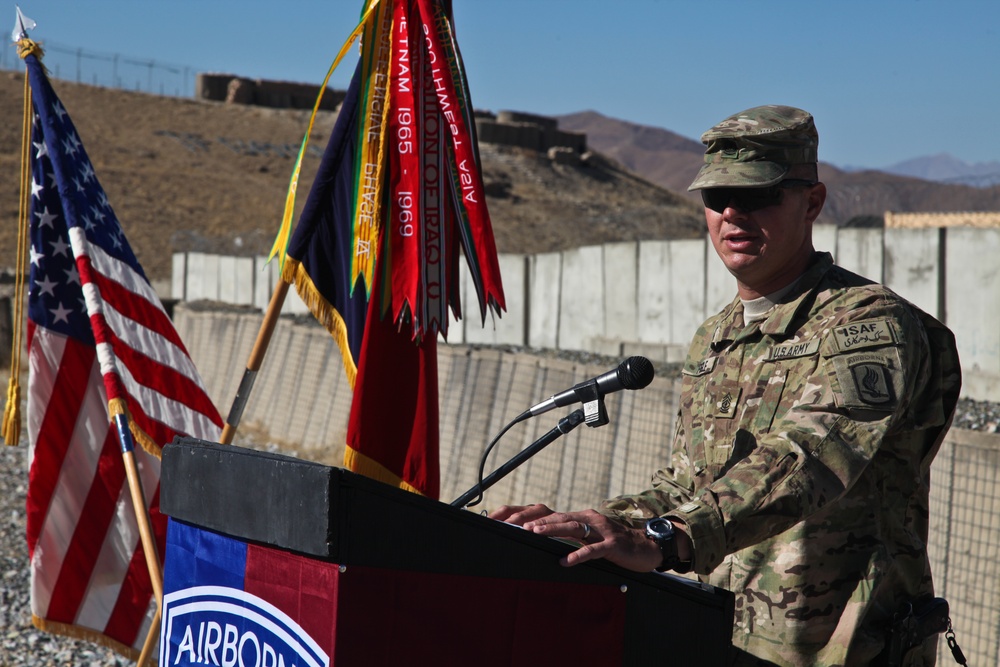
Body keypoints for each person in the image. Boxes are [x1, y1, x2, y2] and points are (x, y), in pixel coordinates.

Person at [489, 105, 962, 667]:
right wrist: (593, 529)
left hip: (843, 650)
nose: (733, 213)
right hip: (722, 635)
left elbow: (809, 457)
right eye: (716, 198)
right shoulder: (716, 337)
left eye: (758, 195)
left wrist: (666, 539)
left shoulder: (866, 325)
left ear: (812, 202)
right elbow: (687, 482)